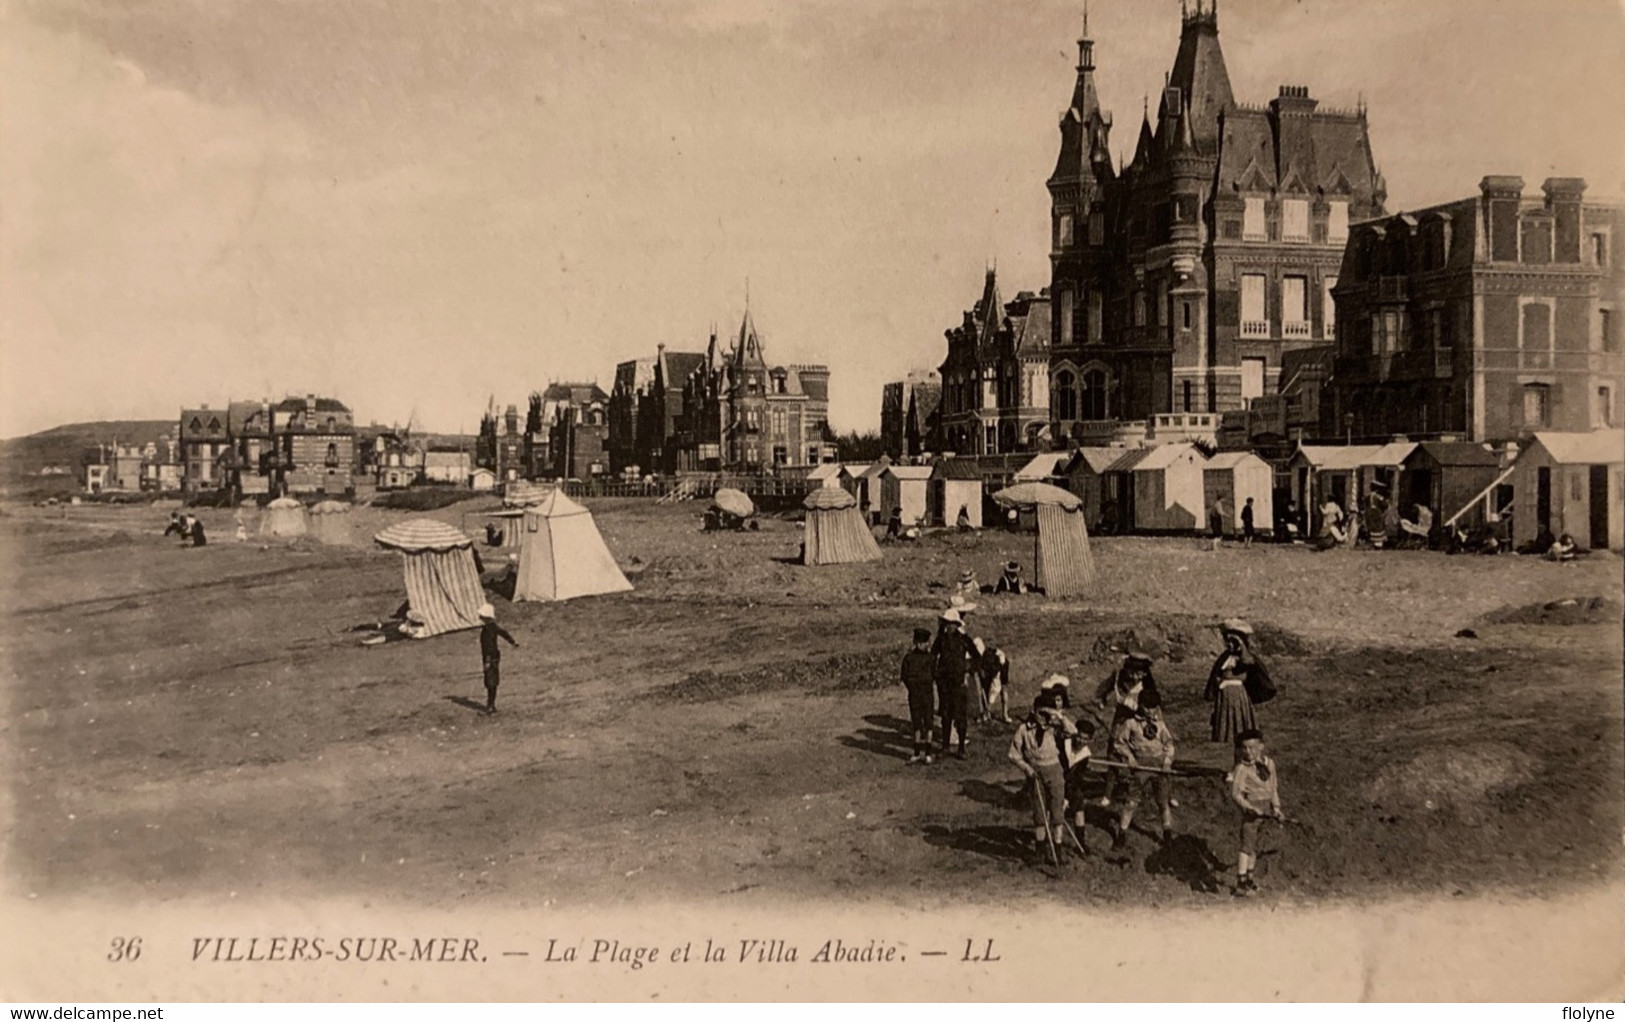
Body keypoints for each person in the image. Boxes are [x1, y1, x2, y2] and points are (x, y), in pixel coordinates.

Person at [1008, 691, 1078, 861]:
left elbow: (1073, 731)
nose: (1043, 718)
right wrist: (1026, 769)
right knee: (1039, 813)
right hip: (1035, 773)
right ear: (1034, 711)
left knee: (1057, 812)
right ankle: (1040, 850)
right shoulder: (1024, 729)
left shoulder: (1054, 727)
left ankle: (1058, 850)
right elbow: (1013, 754)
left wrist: (1058, 716)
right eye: (1041, 713)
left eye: (1048, 714)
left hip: (1054, 770)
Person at [1092, 650, 1160, 806]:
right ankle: (1108, 794)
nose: (1136, 677)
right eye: (1133, 673)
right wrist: (1100, 700)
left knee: (1140, 754)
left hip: (1139, 723)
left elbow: (1154, 703)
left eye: (1140, 674)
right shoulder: (1119, 680)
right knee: (1114, 755)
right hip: (1121, 721)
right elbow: (1102, 689)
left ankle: (1139, 790)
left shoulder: (1147, 684)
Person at [1111, 689, 1177, 848]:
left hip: (1159, 766)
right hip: (1140, 766)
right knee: (1132, 802)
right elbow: (1119, 743)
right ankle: (1122, 833)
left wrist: (1167, 762)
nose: (1149, 710)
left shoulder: (1160, 725)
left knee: (1162, 802)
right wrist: (1130, 758)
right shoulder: (1131, 723)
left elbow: (1169, 745)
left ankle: (1167, 834)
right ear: (1139, 705)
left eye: (1153, 707)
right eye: (1146, 707)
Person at [1228, 728, 1284, 896]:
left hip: (1266, 809)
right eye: (1244, 748)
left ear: (1261, 747)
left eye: (1252, 748)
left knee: (1255, 847)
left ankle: (1250, 879)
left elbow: (1273, 788)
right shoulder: (1241, 769)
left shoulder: (1269, 764)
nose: (1248, 752)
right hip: (1252, 811)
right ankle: (1241, 882)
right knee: (1247, 846)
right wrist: (1249, 808)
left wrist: (1277, 808)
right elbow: (1235, 794)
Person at [1205, 620, 1259, 745]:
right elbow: (1217, 673)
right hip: (1225, 696)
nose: (1229, 644)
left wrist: (1241, 646)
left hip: (1238, 695)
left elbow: (1249, 664)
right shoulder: (1224, 657)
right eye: (1227, 641)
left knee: (1240, 724)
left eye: (1232, 641)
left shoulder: (1245, 657)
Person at [931, 608, 975, 758]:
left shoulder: (964, 639)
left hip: (958, 682)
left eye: (952, 624)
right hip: (944, 683)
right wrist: (936, 675)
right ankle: (945, 747)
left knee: (960, 715)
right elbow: (932, 657)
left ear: (957, 625)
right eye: (947, 624)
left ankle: (961, 748)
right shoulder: (940, 639)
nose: (949, 627)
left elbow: (977, 657)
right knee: (945, 714)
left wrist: (968, 672)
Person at [900, 627, 937, 764]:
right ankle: (927, 753)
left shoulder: (908, 658)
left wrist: (912, 688)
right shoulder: (930, 658)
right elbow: (935, 675)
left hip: (915, 694)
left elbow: (904, 677)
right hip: (926, 694)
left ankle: (917, 752)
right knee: (928, 723)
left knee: (917, 723)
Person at [477, 603, 518, 714]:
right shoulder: (492, 627)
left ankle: (490, 706)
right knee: (492, 680)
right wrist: (512, 642)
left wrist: (488, 661)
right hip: (493, 656)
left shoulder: (488, 629)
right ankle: (491, 705)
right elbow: (503, 633)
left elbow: (489, 646)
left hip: (490, 656)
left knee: (490, 681)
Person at [970, 636, 1011, 723]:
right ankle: (986, 713)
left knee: (1003, 689)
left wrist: (989, 705)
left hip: (1001, 668)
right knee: (987, 689)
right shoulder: (980, 658)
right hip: (995, 669)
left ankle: (1004, 715)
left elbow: (995, 687)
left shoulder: (990, 661)